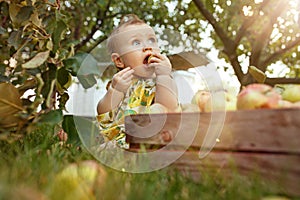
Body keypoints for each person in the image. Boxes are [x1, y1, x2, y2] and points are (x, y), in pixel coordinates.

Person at [96, 14, 180, 148]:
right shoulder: (122, 83)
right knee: (106, 149)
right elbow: (104, 113)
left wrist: (164, 75)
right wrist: (115, 90)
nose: (148, 47)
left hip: (156, 140)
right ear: (119, 60)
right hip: (122, 143)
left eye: (152, 40)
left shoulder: (162, 82)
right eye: (136, 43)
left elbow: (168, 107)